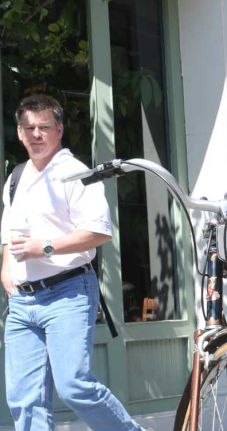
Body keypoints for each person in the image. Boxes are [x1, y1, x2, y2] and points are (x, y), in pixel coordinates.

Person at [2, 94, 142, 430]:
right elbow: (8, 236)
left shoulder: (75, 173)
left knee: (73, 386)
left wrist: (44, 247)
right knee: (24, 398)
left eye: (44, 127)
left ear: (59, 130)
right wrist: (6, 272)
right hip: (22, 301)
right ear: (19, 133)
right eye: (29, 128)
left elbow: (98, 232)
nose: (36, 134)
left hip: (67, 292)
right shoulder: (16, 177)